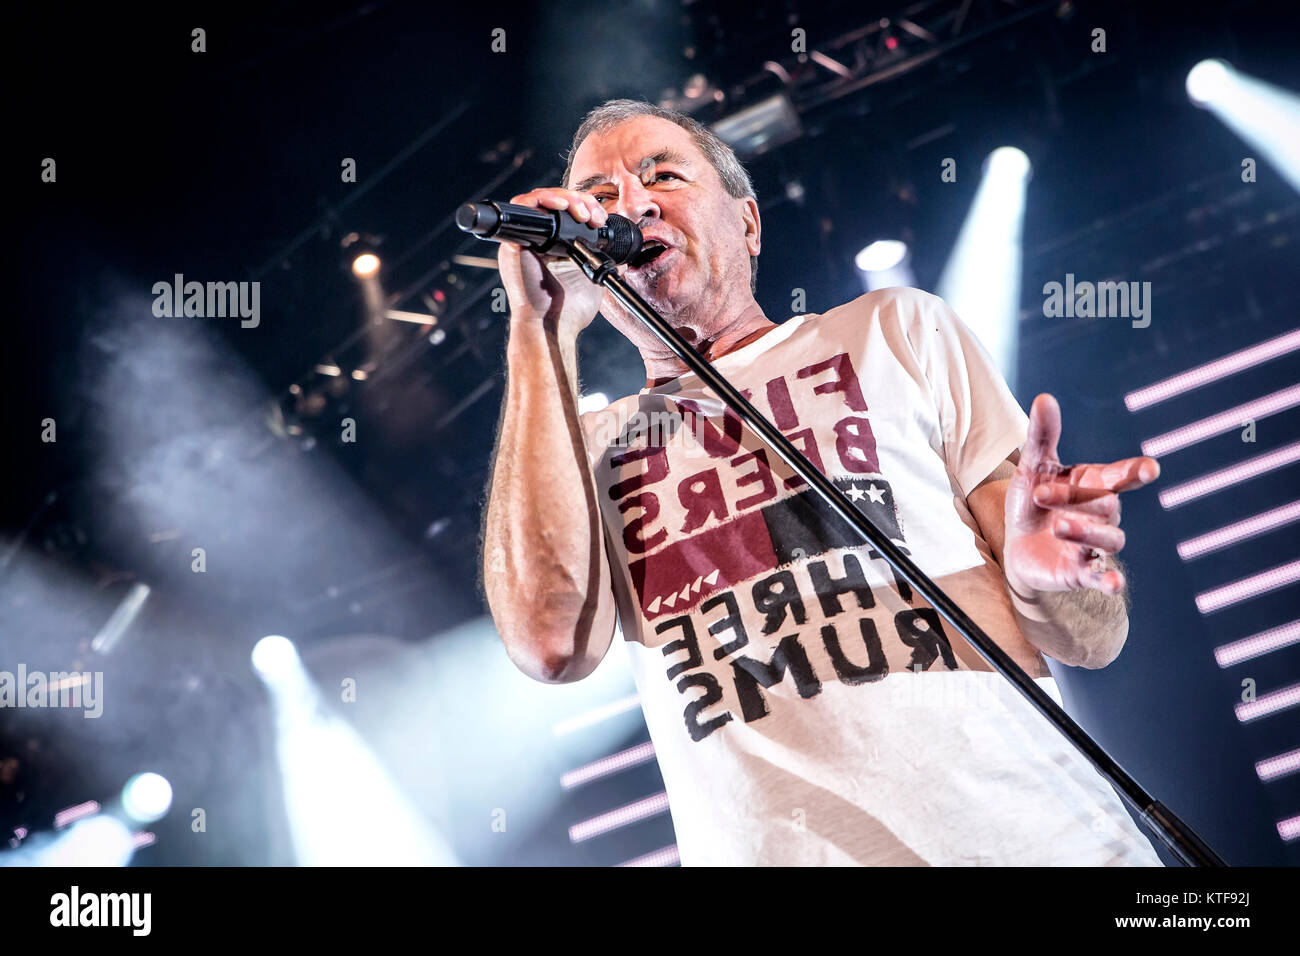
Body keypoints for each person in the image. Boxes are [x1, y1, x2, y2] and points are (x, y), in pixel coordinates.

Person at [479, 98, 1166, 866]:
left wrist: (1051, 586)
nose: (628, 206)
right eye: (598, 198)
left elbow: (1092, 639)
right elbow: (549, 644)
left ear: (748, 223)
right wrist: (537, 325)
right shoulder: (587, 456)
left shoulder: (895, 330)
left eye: (661, 175)